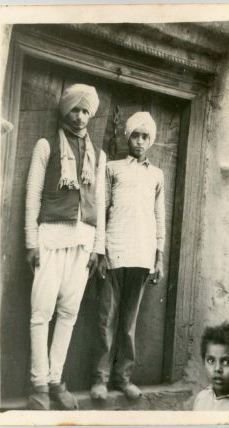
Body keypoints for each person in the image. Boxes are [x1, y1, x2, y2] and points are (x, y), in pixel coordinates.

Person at [25, 84, 106, 410]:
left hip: (83, 243)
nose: (80, 117)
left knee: (68, 314)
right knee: (40, 313)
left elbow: (99, 201)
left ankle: (56, 380)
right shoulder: (46, 146)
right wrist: (31, 241)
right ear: (65, 111)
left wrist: (98, 248)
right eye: (75, 109)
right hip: (50, 238)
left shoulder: (97, 155)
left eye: (86, 111)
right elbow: (32, 195)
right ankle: (39, 386)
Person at [90, 111, 165, 401]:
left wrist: (158, 257)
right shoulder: (112, 168)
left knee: (128, 324)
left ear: (151, 141)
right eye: (136, 134)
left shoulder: (156, 175)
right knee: (106, 319)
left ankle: (123, 378)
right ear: (128, 137)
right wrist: (101, 250)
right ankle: (99, 380)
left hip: (142, 255)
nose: (140, 141)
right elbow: (101, 209)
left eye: (145, 136)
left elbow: (160, 218)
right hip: (115, 252)